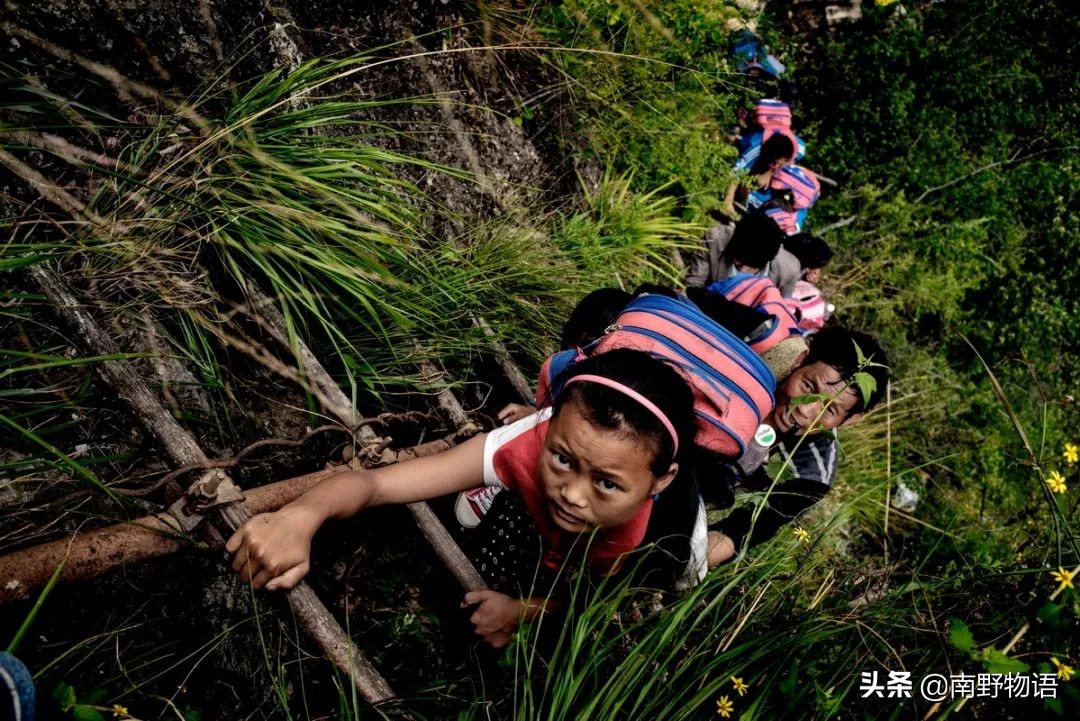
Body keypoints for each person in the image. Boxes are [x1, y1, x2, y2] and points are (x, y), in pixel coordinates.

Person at [226, 349, 701, 648]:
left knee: (677, 578)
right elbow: (379, 484)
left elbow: (597, 599)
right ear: (550, 426)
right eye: (562, 458)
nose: (573, 494)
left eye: (607, 484)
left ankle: (720, 546)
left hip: (660, 542)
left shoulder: (649, 536)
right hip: (545, 463)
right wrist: (302, 515)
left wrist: (523, 611)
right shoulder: (524, 444)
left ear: (660, 480)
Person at [703, 326, 889, 565]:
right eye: (809, 387)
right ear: (800, 360)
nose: (805, 409)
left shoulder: (810, 475)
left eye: (829, 409)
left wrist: (687, 555)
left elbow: (737, 533)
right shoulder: (753, 362)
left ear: (851, 419)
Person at [684, 213, 801, 297]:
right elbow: (694, 285)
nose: (744, 270)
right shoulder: (714, 240)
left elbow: (779, 311)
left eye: (752, 267)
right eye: (738, 264)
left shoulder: (790, 269)